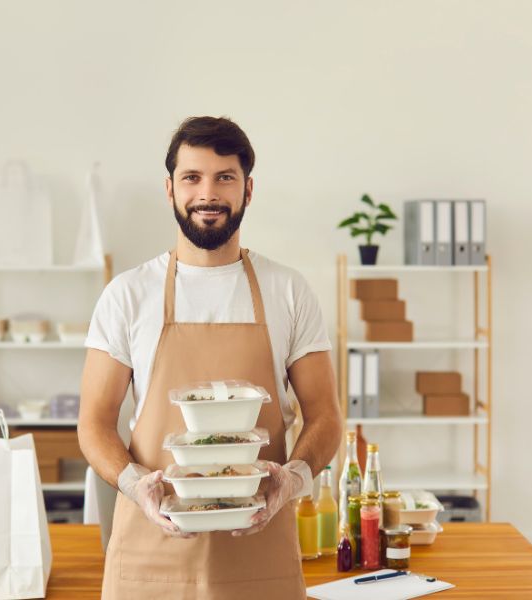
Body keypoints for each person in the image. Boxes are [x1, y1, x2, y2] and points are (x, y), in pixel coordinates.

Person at [78, 116, 342, 599]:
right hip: (150, 551)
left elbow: (325, 414)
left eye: (225, 177)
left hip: (260, 552)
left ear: (248, 189)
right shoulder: (128, 295)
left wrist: (295, 479)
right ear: (170, 188)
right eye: (192, 177)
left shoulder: (288, 290)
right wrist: (138, 486)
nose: (208, 193)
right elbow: (93, 422)